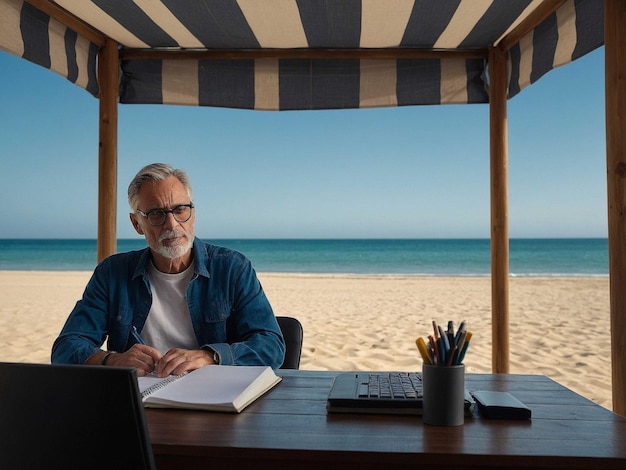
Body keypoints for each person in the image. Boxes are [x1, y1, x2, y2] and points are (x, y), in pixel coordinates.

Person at [52, 163, 285, 376]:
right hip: (139, 401)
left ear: (192, 212)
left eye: (180, 210)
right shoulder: (111, 273)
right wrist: (112, 360)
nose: (172, 224)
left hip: (217, 402)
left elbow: (271, 346)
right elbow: (66, 348)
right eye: (156, 214)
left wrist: (209, 356)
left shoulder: (233, 268)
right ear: (136, 224)